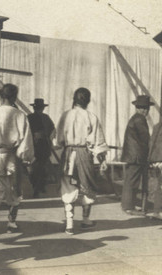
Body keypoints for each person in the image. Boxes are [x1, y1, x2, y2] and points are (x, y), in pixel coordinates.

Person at [0, 83, 34, 242]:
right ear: (14, 97)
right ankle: (11, 223)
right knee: (15, 189)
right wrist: (26, 157)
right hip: (11, 155)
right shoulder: (20, 115)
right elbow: (25, 141)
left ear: (1, 97)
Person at [55, 87, 109, 235]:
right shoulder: (91, 117)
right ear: (88, 101)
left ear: (74, 99)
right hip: (84, 154)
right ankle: (85, 220)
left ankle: (70, 224)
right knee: (88, 184)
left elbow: (58, 140)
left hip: (68, 154)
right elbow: (98, 142)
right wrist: (102, 159)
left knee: (68, 185)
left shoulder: (65, 115)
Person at [120, 95, 153, 216]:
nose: (146, 110)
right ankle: (129, 207)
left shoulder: (134, 118)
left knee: (130, 180)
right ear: (140, 109)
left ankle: (127, 205)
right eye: (144, 108)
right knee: (132, 182)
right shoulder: (140, 119)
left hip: (132, 155)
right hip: (136, 156)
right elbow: (145, 138)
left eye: (146, 108)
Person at [27, 98, 56, 198]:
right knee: (38, 167)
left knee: (39, 167)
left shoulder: (43, 117)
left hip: (41, 145)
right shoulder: (30, 117)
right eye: (39, 107)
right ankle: (38, 187)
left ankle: (39, 186)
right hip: (37, 145)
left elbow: (52, 130)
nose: (40, 109)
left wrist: (50, 140)